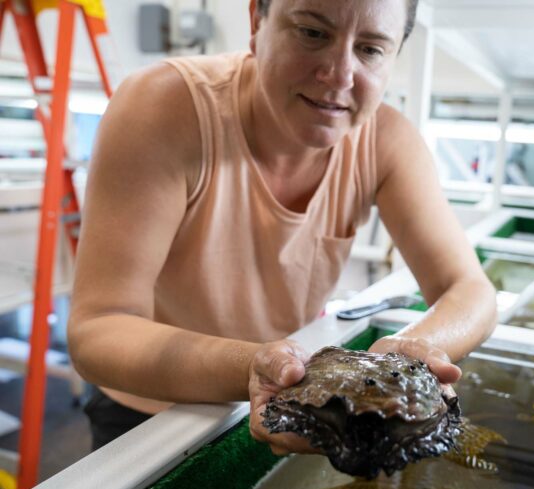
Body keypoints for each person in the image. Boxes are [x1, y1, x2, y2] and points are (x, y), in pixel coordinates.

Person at [68, 0, 497, 453]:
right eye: (313, 33)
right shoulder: (164, 107)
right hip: (151, 414)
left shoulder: (386, 141)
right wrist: (253, 366)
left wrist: (410, 356)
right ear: (257, 20)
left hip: (283, 395)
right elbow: (99, 328)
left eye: (370, 49)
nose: (339, 75)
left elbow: (471, 290)